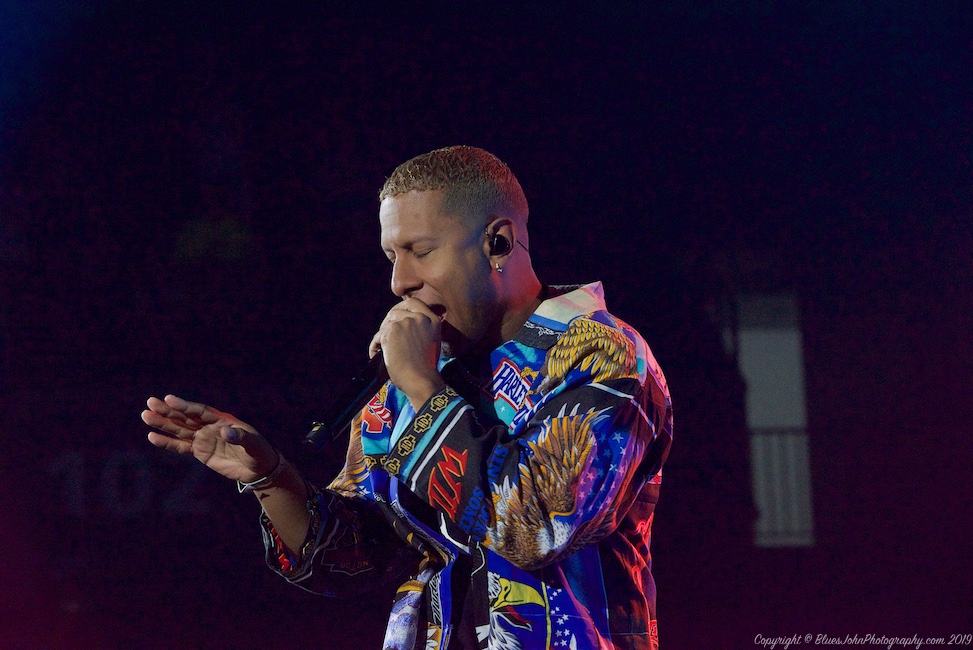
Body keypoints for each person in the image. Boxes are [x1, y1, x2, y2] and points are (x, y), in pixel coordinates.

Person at [142, 145, 673, 650]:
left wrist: (422, 389)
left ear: (499, 243)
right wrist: (270, 475)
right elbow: (355, 556)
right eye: (391, 255)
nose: (399, 281)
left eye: (421, 251)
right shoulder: (415, 370)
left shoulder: (599, 351)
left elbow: (535, 528)